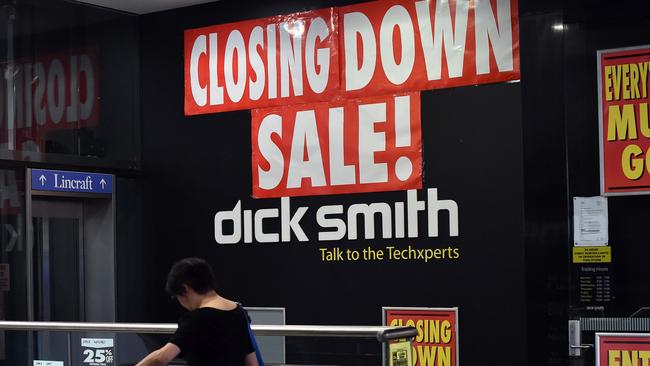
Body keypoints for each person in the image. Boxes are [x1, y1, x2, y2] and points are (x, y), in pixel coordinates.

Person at [136, 257, 259, 366]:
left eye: (177, 297)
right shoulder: (238, 312)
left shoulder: (196, 319)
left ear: (185, 288)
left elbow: (161, 358)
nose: (181, 304)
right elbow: (252, 362)